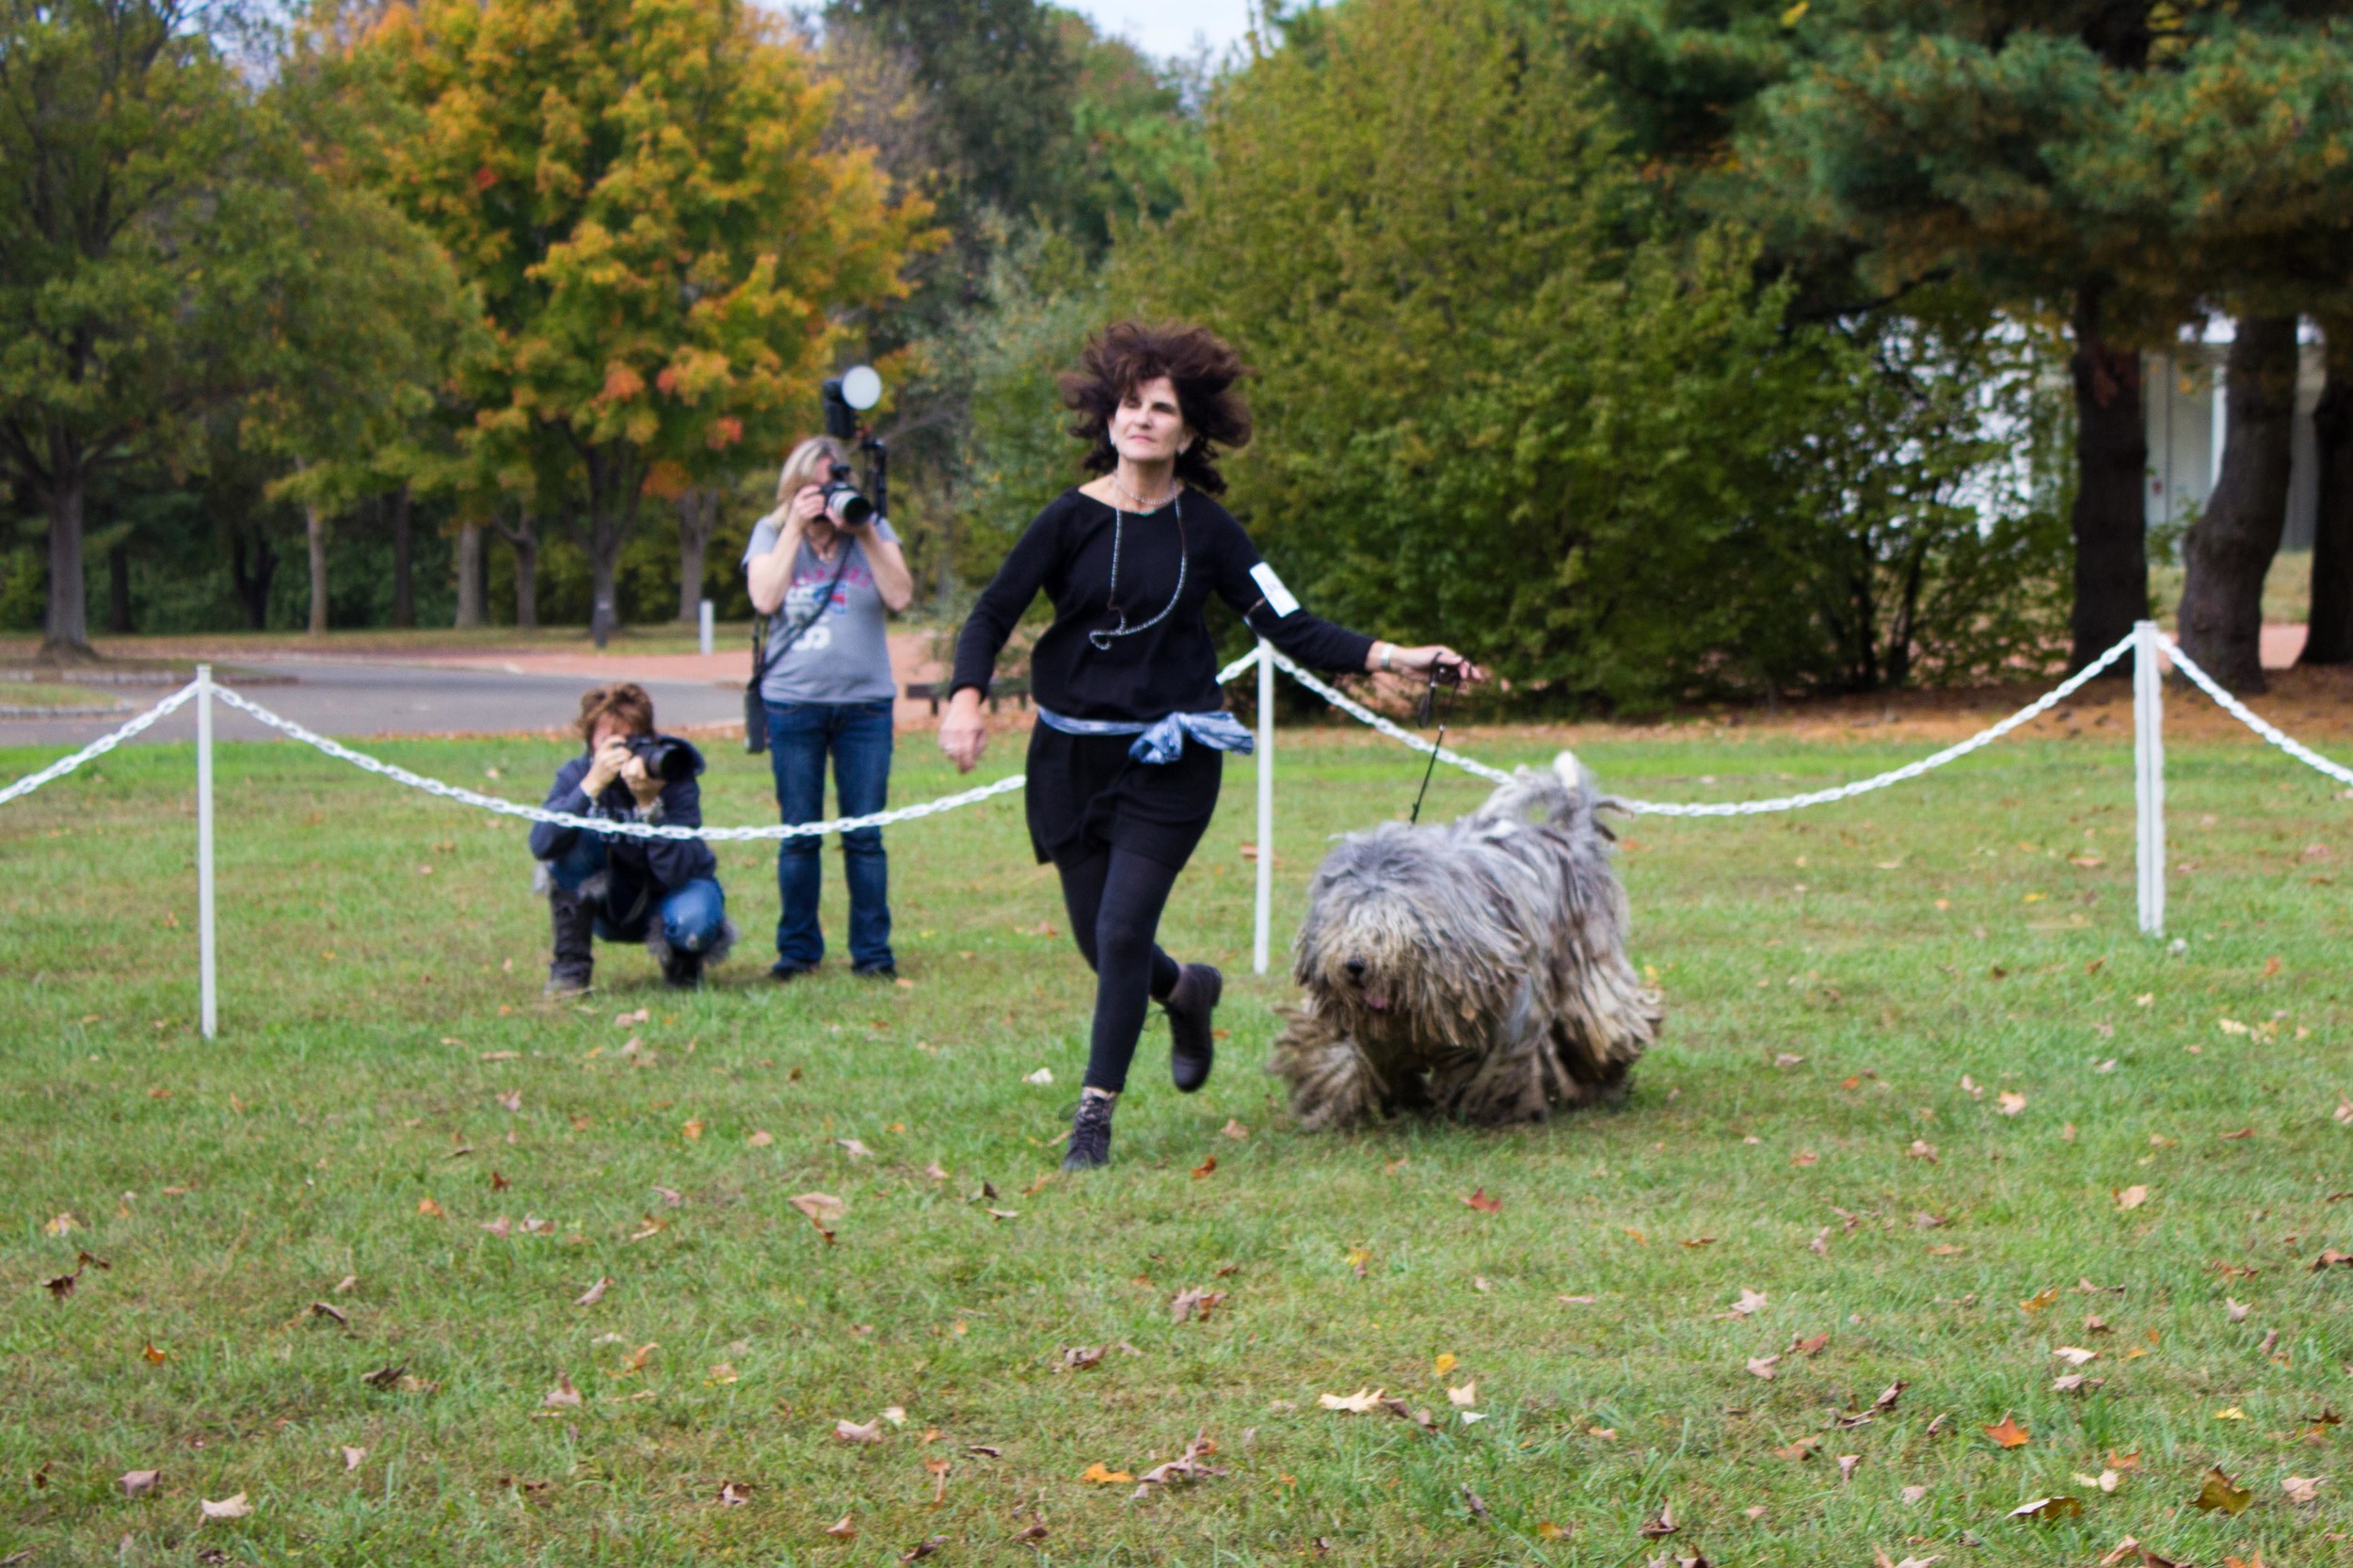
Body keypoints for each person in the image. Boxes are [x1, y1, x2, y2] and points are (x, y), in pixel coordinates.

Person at [941, 320, 1483, 1170]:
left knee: (1121, 932)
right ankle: (1186, 992)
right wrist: (966, 700)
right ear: (1108, 419)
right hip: (1068, 761)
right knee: (1101, 943)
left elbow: (1291, 625)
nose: (1143, 419)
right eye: (1130, 404)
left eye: (1162, 408)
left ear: (1190, 431)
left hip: (1171, 757)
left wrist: (1395, 655)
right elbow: (989, 616)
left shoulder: (1211, 530)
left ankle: (1093, 1119)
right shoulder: (1067, 520)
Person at [744, 435, 915, 981]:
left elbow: (901, 596)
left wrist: (863, 528)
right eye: (817, 486)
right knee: (799, 833)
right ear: (794, 489)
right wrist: (795, 527)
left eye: (837, 482)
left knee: (865, 836)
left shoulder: (872, 529)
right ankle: (798, 951)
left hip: (865, 707)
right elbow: (765, 599)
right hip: (794, 707)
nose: (829, 495)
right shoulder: (770, 533)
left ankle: (872, 953)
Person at [531, 683, 733, 994]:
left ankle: (683, 967)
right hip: (608, 903)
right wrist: (590, 787)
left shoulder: (673, 777)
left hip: (668, 897)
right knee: (570, 843)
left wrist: (649, 805)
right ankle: (570, 969)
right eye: (610, 741)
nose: (623, 751)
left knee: (695, 912)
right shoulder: (576, 774)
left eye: (632, 740)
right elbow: (542, 845)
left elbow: (678, 874)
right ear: (590, 744)